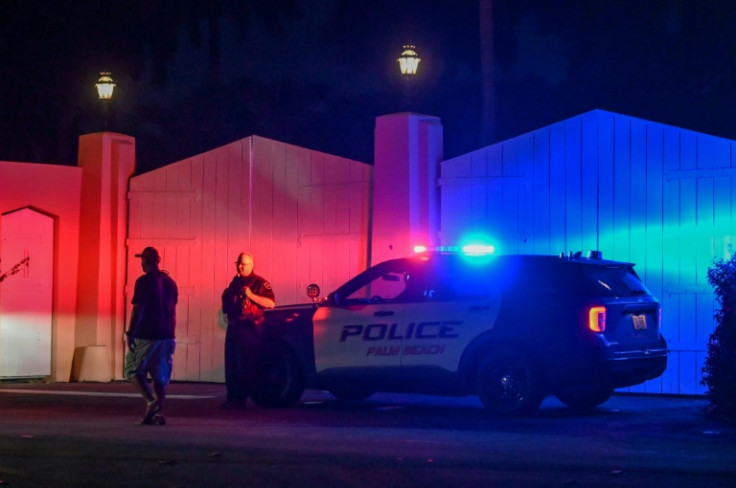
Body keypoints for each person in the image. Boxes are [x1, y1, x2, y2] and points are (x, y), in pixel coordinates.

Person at [124, 247, 178, 425]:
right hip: (167, 334)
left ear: (145, 261)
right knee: (160, 375)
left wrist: (130, 332)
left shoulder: (143, 281)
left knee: (132, 369)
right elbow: (173, 310)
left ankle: (150, 401)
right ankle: (159, 413)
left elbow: (137, 308)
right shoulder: (170, 282)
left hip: (146, 333)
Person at [221, 252, 275, 409]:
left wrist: (251, 295)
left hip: (249, 329)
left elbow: (271, 303)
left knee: (244, 364)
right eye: (238, 263)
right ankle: (232, 398)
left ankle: (241, 399)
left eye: (243, 264)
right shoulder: (235, 282)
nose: (240, 266)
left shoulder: (260, 283)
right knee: (231, 364)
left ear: (251, 265)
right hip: (234, 326)